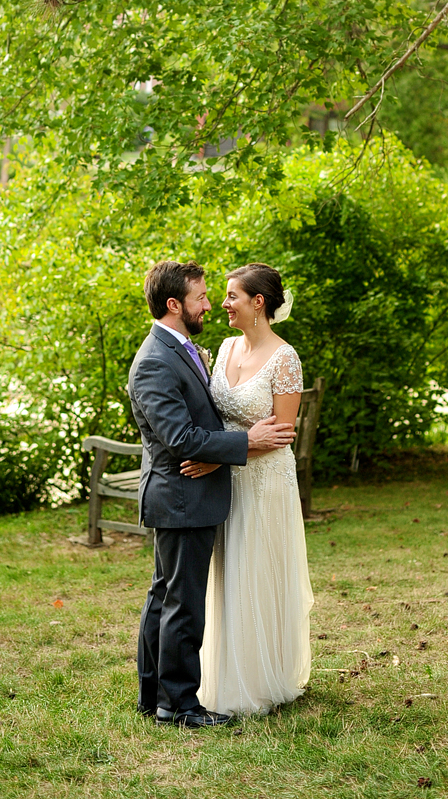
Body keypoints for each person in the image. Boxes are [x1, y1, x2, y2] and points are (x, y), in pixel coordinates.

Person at [128, 259, 295, 729]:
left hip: (190, 491)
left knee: (166, 596)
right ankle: (178, 706)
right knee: (181, 602)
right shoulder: (156, 361)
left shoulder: (179, 349)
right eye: (202, 297)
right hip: (182, 492)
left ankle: (152, 695)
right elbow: (179, 438)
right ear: (175, 304)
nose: (210, 304)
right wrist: (246, 442)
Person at [184, 262, 314, 717]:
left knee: (257, 573)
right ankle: (219, 674)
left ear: (258, 303)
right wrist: (213, 454)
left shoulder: (285, 359)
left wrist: (216, 456)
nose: (223, 303)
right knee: (227, 574)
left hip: (265, 482)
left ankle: (259, 680)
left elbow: (279, 435)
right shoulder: (223, 348)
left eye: (232, 296)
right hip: (225, 481)